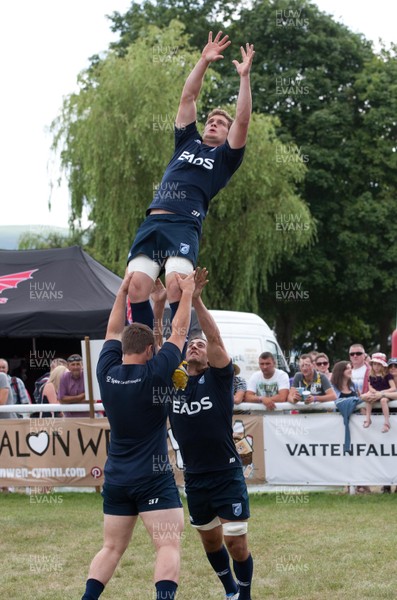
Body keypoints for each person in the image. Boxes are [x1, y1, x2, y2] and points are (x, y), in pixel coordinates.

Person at [126, 32, 254, 328]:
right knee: (135, 287)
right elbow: (188, 97)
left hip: (184, 224)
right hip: (154, 222)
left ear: (227, 134)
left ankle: (177, 354)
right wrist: (203, 61)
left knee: (176, 286)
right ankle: (145, 353)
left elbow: (243, 119)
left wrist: (244, 77)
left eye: (221, 123)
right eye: (211, 120)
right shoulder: (186, 141)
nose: (213, 123)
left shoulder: (226, 157)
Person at [81, 270, 195, 600]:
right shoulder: (157, 373)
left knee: (112, 548)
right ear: (149, 350)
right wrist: (186, 293)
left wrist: (121, 295)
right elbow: (181, 331)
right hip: (153, 476)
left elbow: (114, 329)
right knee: (167, 545)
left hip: (117, 477)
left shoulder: (107, 372)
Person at [168, 268, 254, 600]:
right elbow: (168, 342)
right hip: (195, 477)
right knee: (210, 540)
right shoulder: (174, 383)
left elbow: (214, 338)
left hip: (226, 472)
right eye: (191, 344)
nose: (196, 346)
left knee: (235, 540)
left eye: (200, 345)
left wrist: (197, 299)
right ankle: (230, 590)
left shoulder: (219, 379)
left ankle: (244, 594)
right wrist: (166, 301)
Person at [361, 352, 396, 432]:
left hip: (386, 395)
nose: (376, 367)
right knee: (368, 399)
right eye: (374, 364)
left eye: (379, 364)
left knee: (383, 401)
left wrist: (382, 392)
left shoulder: (387, 375)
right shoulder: (371, 375)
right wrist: (373, 392)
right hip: (375, 394)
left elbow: (393, 388)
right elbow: (370, 387)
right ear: (372, 365)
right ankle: (368, 419)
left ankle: (387, 422)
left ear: (383, 365)